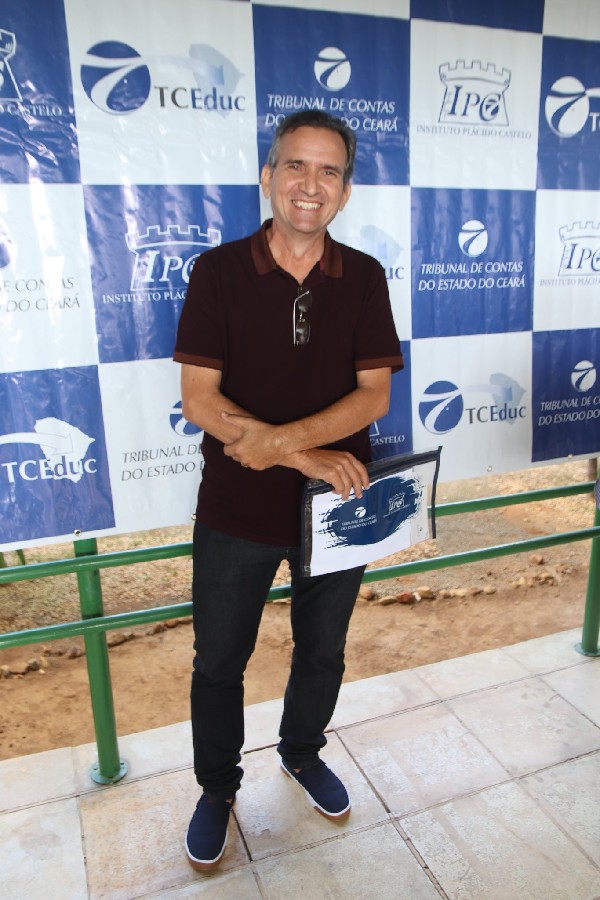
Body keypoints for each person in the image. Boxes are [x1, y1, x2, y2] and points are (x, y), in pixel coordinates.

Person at [173, 110, 403, 871]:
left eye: (329, 170)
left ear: (345, 189)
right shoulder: (217, 272)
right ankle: (217, 788)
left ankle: (302, 752)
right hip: (236, 510)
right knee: (218, 660)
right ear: (269, 177)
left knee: (323, 651)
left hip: (338, 509)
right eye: (296, 166)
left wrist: (278, 446)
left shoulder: (363, 276)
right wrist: (298, 453)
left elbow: (373, 396)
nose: (311, 184)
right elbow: (200, 401)